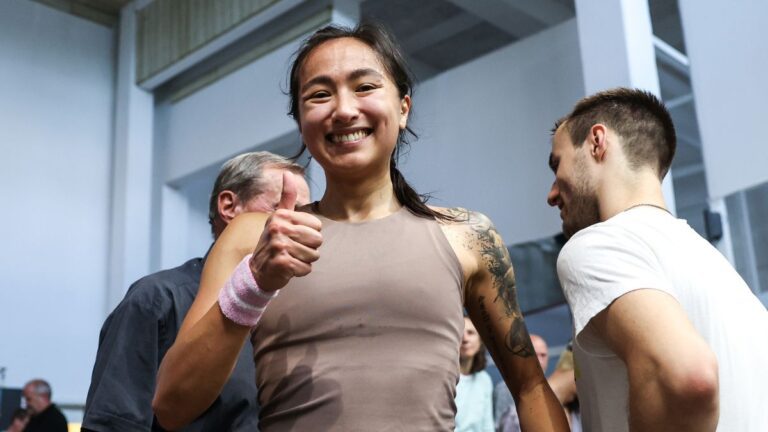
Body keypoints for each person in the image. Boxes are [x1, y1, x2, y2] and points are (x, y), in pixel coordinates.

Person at [153, 22, 568, 432]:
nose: (344, 109)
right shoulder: (253, 238)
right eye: (319, 94)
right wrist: (254, 283)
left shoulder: (468, 237)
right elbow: (172, 407)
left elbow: (530, 388)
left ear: (403, 108)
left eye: (364, 87)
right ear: (301, 121)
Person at [547, 87, 768, 431]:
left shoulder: (598, 245)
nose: (552, 194)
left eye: (557, 164)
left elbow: (688, 375)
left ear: (597, 142)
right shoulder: (723, 274)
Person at [82, 152, 310, 432]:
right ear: (229, 206)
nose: (295, 226)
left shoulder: (295, 310)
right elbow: (113, 424)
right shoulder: (158, 300)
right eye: (281, 208)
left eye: (304, 215)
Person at [494, 334, 548, 432]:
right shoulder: (504, 389)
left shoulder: (551, 387)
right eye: (535, 355)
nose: (540, 361)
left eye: (543, 355)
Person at [455, 316, 494, 432]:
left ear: (480, 340)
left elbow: (488, 426)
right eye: (460, 333)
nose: (465, 339)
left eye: (471, 333)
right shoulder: (444, 378)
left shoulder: (484, 380)